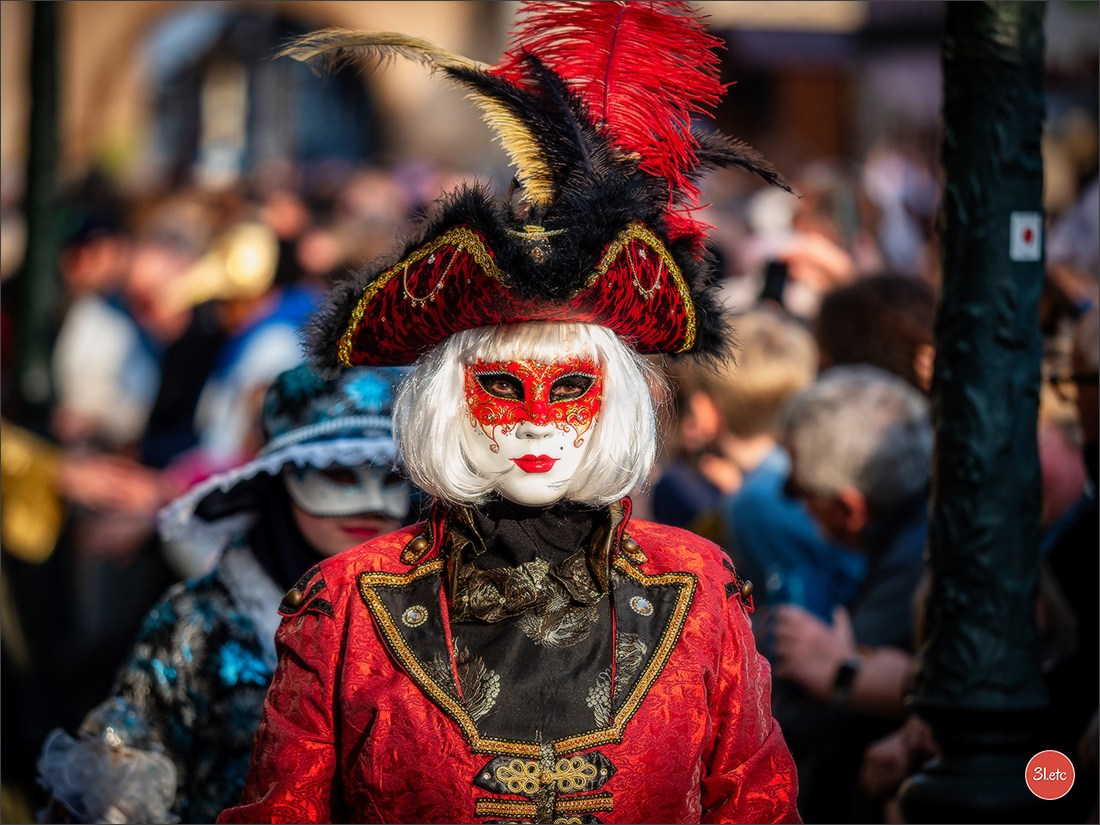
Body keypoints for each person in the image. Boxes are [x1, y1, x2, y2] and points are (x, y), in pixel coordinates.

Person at [220, 3, 800, 822]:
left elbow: (760, 806)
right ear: (449, 400)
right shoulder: (347, 605)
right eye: (501, 387)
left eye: (570, 387)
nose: (536, 422)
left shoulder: (696, 588)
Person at [37, 364, 413, 824]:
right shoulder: (199, 621)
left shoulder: (431, 614)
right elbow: (118, 789)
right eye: (336, 473)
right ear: (280, 477)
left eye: (391, 475)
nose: (371, 502)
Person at [770, 365, 931, 823]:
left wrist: (836, 669)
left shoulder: (912, 564)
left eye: (797, 489)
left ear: (849, 507)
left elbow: (828, 718)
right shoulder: (919, 528)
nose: (790, 498)